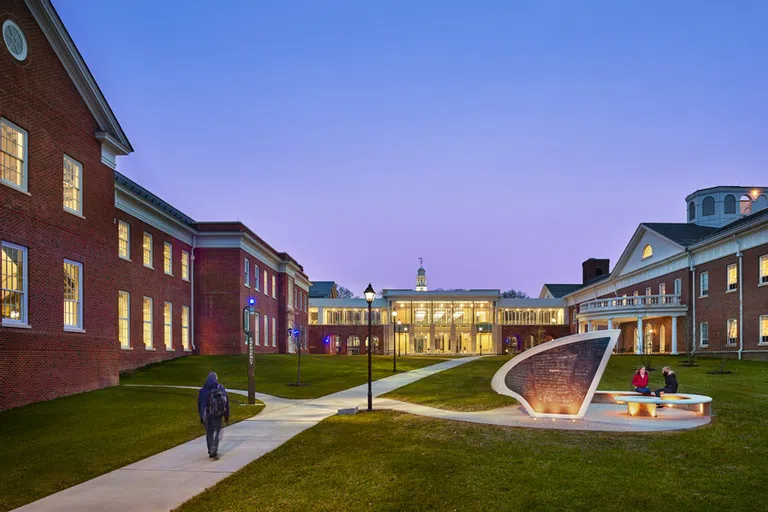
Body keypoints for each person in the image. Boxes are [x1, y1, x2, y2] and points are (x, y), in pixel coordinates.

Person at [198, 372, 229, 458]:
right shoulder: (220, 388)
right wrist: (226, 415)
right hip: (217, 415)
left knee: (209, 432)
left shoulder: (203, 390)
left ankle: (210, 450)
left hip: (207, 415)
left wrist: (201, 417)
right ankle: (214, 448)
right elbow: (226, 402)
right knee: (217, 431)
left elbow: (200, 405)